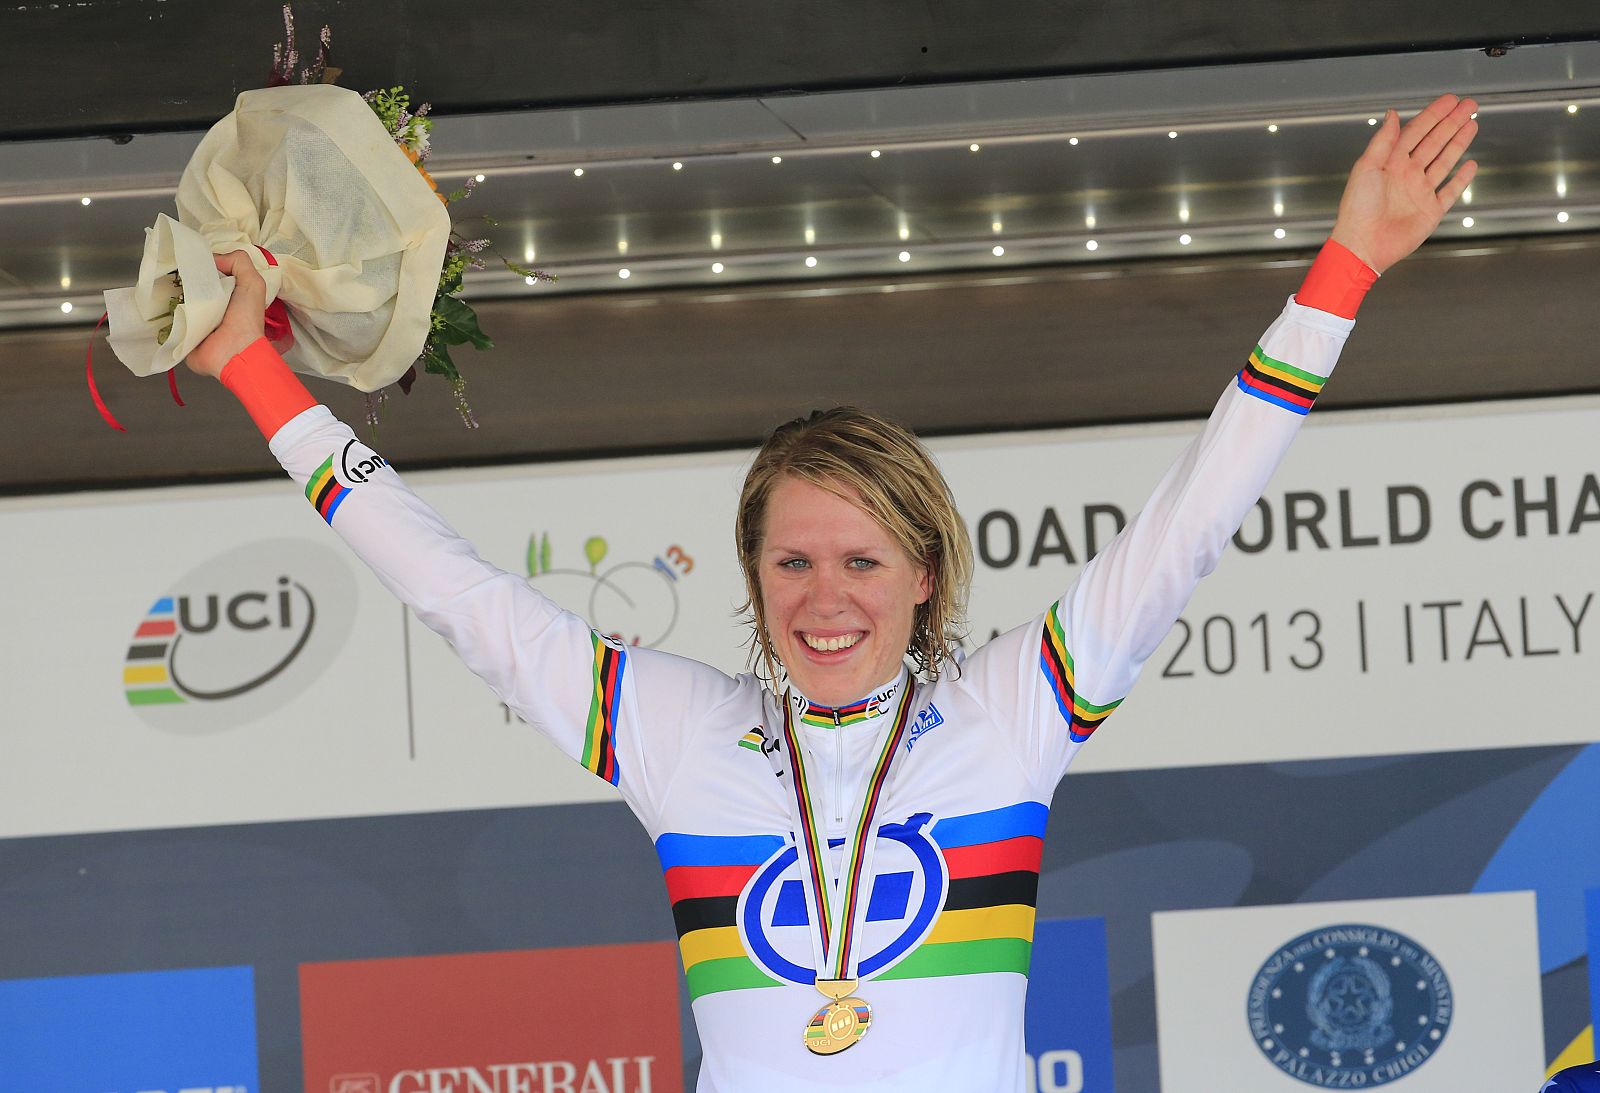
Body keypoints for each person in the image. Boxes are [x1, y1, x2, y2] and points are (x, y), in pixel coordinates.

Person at [186, 94, 1478, 1091]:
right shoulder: (677, 734)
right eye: (793, 560)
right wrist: (250, 371)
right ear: (752, 575)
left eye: (863, 561)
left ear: (924, 574)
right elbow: (452, 590)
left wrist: (1346, 270)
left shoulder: (1008, 715)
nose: (826, 598)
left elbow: (1194, 515)